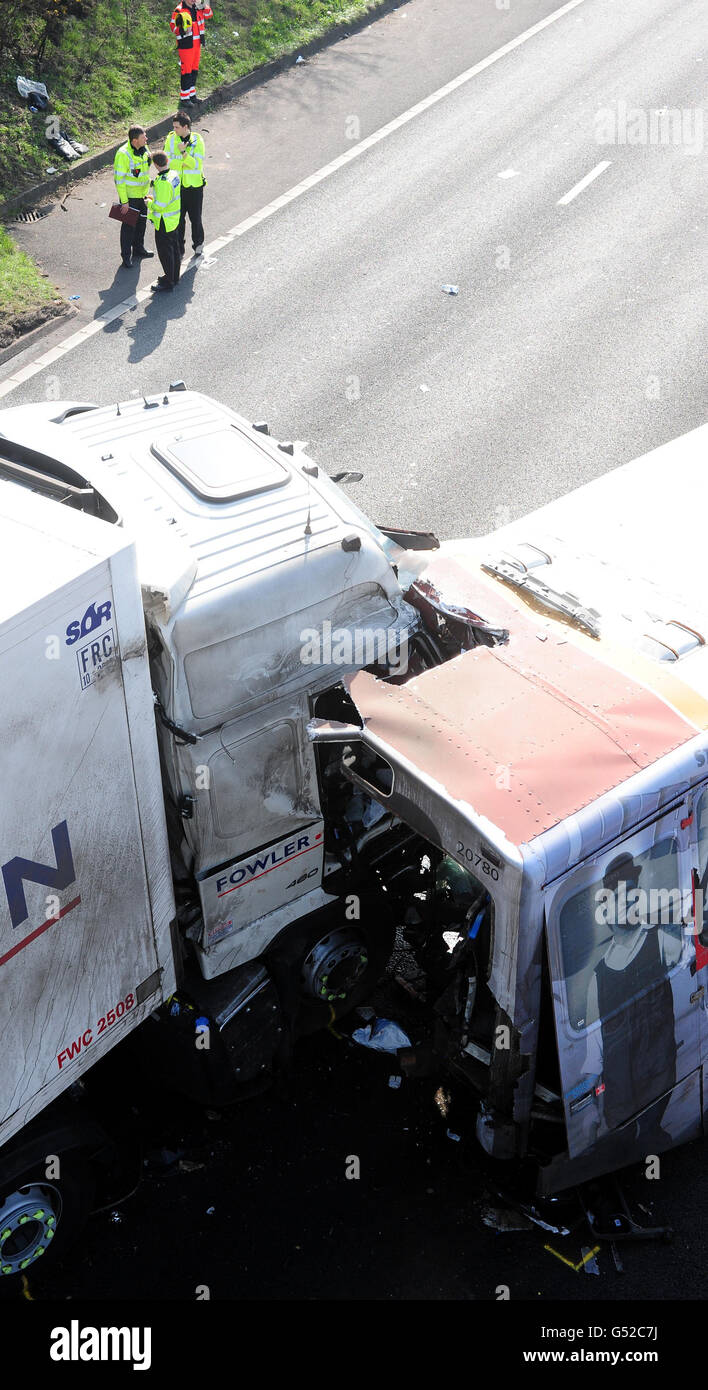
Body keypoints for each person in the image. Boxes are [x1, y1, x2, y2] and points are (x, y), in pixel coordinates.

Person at [164, 110, 206, 259]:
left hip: (194, 187)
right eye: (174, 127)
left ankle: (198, 244)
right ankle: (179, 248)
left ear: (186, 126)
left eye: (176, 127)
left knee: (196, 218)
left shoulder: (197, 140)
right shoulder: (171, 139)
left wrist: (183, 154)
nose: (174, 130)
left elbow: (196, 165)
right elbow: (167, 162)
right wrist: (184, 162)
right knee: (178, 220)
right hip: (177, 187)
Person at [113, 127, 155, 269]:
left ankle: (138, 249)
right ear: (134, 140)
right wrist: (124, 201)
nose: (146, 139)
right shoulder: (123, 154)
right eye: (144, 138)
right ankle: (126, 256)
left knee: (141, 223)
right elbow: (119, 180)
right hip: (130, 198)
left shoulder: (144, 147)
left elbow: (146, 165)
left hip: (142, 195)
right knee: (128, 227)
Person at [146, 151, 182, 292]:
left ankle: (169, 281)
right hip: (174, 219)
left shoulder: (162, 182)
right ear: (167, 160)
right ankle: (174, 276)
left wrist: (148, 203)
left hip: (164, 222)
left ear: (155, 165)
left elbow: (159, 206)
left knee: (165, 253)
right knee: (174, 250)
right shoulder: (174, 174)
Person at [170, 0, 198, 106]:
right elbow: (173, 27)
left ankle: (191, 95)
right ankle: (184, 98)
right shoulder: (179, 10)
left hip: (196, 45)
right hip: (186, 45)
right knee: (186, 71)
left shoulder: (196, 8)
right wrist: (183, 30)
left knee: (193, 70)